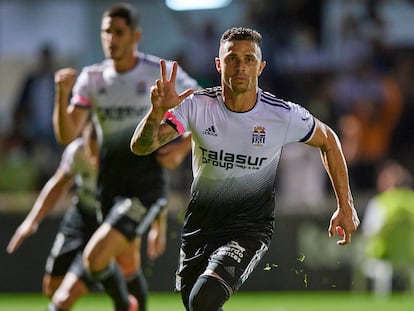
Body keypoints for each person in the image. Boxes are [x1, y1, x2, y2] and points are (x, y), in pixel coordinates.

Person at [130, 27, 360, 311]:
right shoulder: (197, 106)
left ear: (261, 67)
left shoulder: (281, 115)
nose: (241, 66)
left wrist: (345, 205)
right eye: (232, 58)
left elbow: (329, 140)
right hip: (200, 226)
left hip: (248, 228)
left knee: (203, 301)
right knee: (196, 305)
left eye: (249, 59)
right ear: (218, 63)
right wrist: (154, 112)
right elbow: (142, 146)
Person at [53, 3, 199, 311]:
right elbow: (68, 135)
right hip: (110, 187)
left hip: (145, 188)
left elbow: (204, 105)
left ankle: (124, 303)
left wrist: (183, 147)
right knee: (127, 266)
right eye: (106, 31)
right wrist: (61, 94)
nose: (111, 38)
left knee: (95, 258)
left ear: (136, 36)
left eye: (118, 32)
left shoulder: (157, 71)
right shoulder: (91, 78)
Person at [9, 43, 62, 188]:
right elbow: (20, 104)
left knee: (55, 163)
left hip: (54, 129)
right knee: (34, 164)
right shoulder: (31, 80)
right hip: (33, 129)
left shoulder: (58, 80)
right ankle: (35, 188)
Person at [361, 160, 414, 295]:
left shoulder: (379, 203)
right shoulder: (411, 201)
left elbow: (369, 232)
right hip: (408, 255)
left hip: (382, 255)